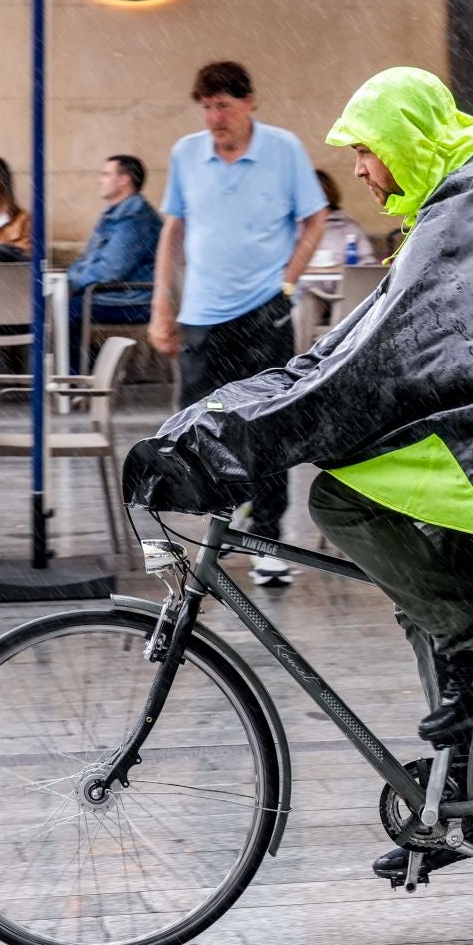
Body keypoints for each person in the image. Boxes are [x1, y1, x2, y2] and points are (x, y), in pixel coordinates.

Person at [125, 67, 473, 884]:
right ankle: (457, 794)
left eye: (366, 149)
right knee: (427, 604)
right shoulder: (465, 190)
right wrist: (232, 415)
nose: (359, 168)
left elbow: (370, 361)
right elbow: (355, 346)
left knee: (338, 498)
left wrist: (248, 437)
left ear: (405, 139)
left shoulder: (470, 202)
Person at [147, 61, 329, 584]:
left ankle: (268, 537)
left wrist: (288, 283)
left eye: (223, 105)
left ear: (250, 102)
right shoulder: (187, 154)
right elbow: (173, 232)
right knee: (201, 429)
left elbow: (314, 217)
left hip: (262, 312)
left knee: (267, 427)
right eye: (205, 106)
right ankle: (219, 529)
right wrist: (162, 306)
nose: (214, 117)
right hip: (202, 315)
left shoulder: (283, 149)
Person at [66, 155, 162, 372]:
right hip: (111, 294)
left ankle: (90, 374)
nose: (100, 180)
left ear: (124, 180)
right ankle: (94, 369)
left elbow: (112, 268)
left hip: (134, 300)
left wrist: (73, 284)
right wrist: (70, 280)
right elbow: (88, 259)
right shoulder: (115, 214)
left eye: (106, 174)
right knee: (56, 308)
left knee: (67, 311)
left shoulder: (135, 218)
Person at [308, 169, 376, 268]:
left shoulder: (348, 227)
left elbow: (367, 265)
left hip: (343, 283)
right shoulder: (294, 228)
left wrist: (348, 272)